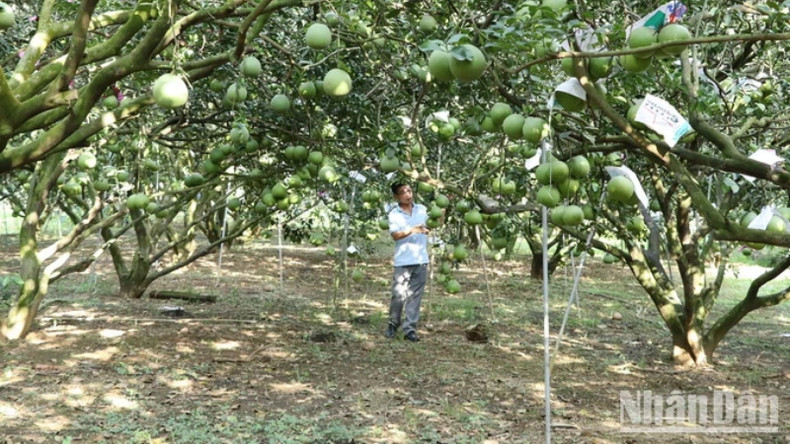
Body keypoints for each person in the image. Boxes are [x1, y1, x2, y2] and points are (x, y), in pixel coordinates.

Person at [385, 182, 430, 342]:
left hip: (421, 259)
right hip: (403, 261)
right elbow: (395, 235)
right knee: (398, 295)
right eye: (403, 192)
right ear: (396, 196)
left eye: (409, 191)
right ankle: (393, 323)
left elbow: (432, 224)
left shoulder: (422, 209)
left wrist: (441, 214)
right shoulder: (394, 214)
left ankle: (410, 329)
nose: (407, 194)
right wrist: (412, 230)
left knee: (415, 297)